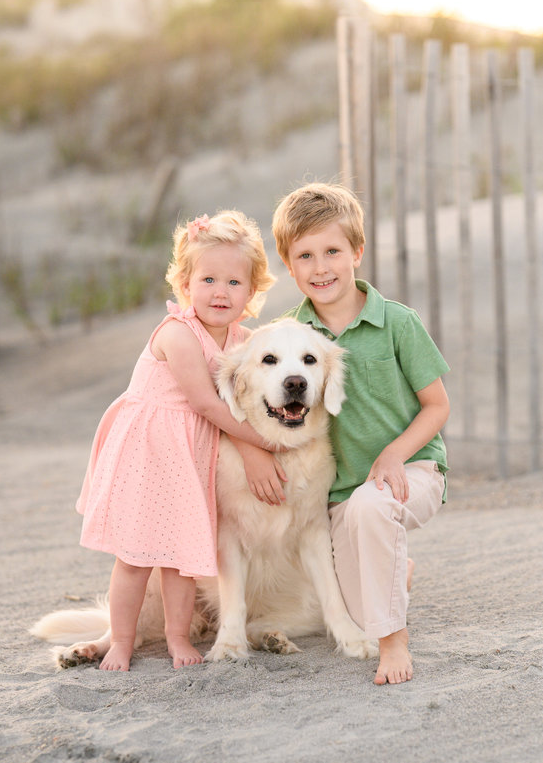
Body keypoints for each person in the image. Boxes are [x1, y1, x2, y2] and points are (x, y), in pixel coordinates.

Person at [242, 182, 450, 685]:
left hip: (411, 472)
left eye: (333, 251)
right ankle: (393, 571)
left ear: (357, 251)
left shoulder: (397, 322)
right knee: (354, 609)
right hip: (338, 499)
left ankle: (394, 642)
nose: (321, 267)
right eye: (305, 256)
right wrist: (251, 453)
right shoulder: (287, 335)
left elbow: (437, 405)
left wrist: (395, 456)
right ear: (290, 267)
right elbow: (251, 399)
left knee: (372, 508)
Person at [76, 210, 276, 671]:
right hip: (149, 452)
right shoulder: (178, 333)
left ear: (251, 292)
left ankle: (176, 637)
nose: (220, 292)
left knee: (182, 559)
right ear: (185, 285)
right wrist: (264, 446)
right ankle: (122, 640)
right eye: (208, 279)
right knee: (135, 558)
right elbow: (207, 405)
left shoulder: (241, 338)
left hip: (189, 458)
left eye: (233, 282)